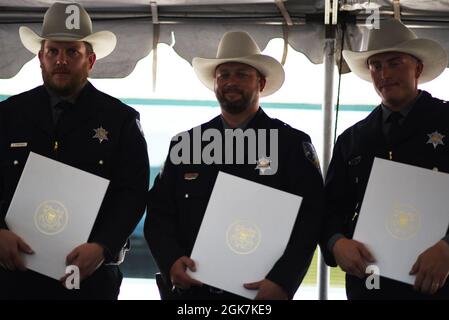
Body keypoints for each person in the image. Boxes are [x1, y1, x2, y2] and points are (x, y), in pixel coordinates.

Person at [145, 31, 323, 300]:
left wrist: (283, 282)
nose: (231, 82)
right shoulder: (186, 144)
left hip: (261, 294)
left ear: (260, 83)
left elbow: (310, 219)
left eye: (242, 74)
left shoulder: (290, 145)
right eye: (224, 74)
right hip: (194, 295)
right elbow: (159, 214)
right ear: (214, 83)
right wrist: (170, 261)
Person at [0, 2, 149, 299]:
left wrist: (104, 246)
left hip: (91, 277)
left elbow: (132, 193)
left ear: (90, 60)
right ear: (40, 57)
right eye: (53, 51)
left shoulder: (120, 120)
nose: (61, 60)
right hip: (14, 275)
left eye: (72, 52)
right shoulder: (7, 115)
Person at [320, 18, 449, 299]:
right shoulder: (351, 139)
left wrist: (447, 247)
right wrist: (336, 242)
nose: (384, 73)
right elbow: (329, 207)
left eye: (395, 62)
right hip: (369, 286)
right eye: (376, 66)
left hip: (438, 286)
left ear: (418, 67)